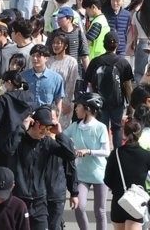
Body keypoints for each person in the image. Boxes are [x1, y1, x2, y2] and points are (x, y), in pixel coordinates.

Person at [5, 106, 77, 230]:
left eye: (49, 128)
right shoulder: (20, 140)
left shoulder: (47, 142)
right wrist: (22, 127)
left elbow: (70, 155)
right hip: (21, 199)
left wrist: (59, 134)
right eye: (44, 127)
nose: (46, 132)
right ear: (35, 123)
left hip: (40, 202)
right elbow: (8, 150)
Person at [63, 93, 110, 230]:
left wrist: (88, 151)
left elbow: (106, 151)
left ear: (88, 108)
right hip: (82, 174)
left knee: (100, 211)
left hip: (100, 175)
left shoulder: (100, 127)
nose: (76, 108)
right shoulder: (75, 126)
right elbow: (62, 138)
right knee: (79, 206)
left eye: (78, 106)